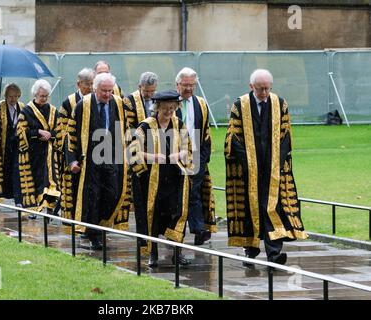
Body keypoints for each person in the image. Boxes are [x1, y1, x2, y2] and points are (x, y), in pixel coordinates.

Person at [224, 68, 308, 267]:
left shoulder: (280, 103)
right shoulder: (240, 105)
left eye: (267, 89)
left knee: (272, 206)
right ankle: (250, 251)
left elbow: (286, 134)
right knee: (250, 209)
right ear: (251, 86)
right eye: (260, 89)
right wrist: (248, 162)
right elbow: (233, 137)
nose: (263, 93)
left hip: (273, 168)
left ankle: (274, 253)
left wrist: (277, 161)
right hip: (248, 170)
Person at [65, 72, 131, 250]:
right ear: (95, 88)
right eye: (104, 91)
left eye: (110, 90)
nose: (107, 94)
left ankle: (98, 225)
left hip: (113, 157)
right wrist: (72, 161)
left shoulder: (118, 103)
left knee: (113, 193)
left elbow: (126, 130)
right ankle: (95, 234)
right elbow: (70, 134)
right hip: (90, 160)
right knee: (93, 197)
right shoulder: (82, 106)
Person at [128, 89, 193, 267]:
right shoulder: (145, 126)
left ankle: (177, 252)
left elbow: (188, 149)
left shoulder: (179, 124)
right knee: (153, 216)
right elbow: (133, 153)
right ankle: (152, 253)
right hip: (151, 181)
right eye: (165, 109)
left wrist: (178, 154)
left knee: (177, 213)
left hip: (174, 179)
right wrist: (154, 157)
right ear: (157, 108)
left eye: (172, 108)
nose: (169, 112)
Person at [175, 67, 217, 245]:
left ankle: (199, 229)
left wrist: (204, 157)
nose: (189, 89)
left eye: (192, 85)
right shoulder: (169, 102)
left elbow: (205, 131)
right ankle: (178, 229)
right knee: (180, 194)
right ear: (177, 84)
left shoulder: (200, 103)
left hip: (196, 156)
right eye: (185, 85)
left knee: (194, 193)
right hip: (175, 157)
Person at [17, 79, 60, 217]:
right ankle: (34, 208)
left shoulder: (53, 110)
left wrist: (50, 135)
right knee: (35, 180)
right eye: (41, 96)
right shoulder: (27, 111)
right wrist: (38, 132)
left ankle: (50, 207)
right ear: (35, 94)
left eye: (46, 96)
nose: (43, 99)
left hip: (49, 152)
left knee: (50, 180)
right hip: (33, 152)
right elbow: (20, 131)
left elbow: (59, 130)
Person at [124, 71, 158, 243]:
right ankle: (142, 236)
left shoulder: (158, 101)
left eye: (152, 91)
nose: (150, 95)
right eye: (146, 92)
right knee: (140, 198)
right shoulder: (129, 102)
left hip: (157, 155)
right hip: (137, 154)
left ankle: (154, 233)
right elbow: (127, 130)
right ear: (139, 87)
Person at [56, 67, 94, 219]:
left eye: (92, 83)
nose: (90, 87)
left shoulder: (95, 100)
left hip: (92, 152)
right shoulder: (68, 103)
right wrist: (69, 157)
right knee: (73, 190)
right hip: (74, 152)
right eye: (87, 84)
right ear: (79, 84)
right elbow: (63, 132)